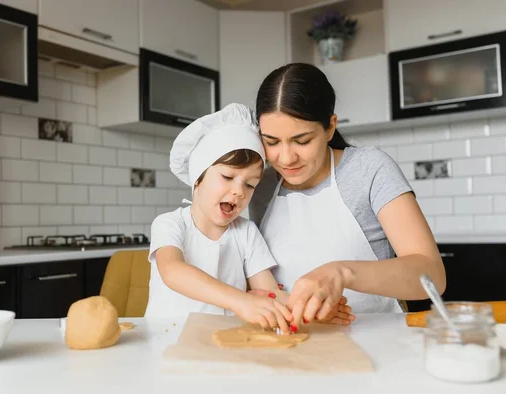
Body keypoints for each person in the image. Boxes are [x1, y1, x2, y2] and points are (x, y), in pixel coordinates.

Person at [249, 63, 446, 329]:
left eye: (302, 141)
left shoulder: (369, 169)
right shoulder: (259, 186)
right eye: (271, 142)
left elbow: (432, 275)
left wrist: (341, 273)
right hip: (294, 346)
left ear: (330, 127)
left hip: (380, 344)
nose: (285, 158)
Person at [144, 103, 354, 333]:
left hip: (223, 348)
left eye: (250, 184)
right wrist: (241, 301)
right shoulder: (170, 224)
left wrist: (312, 310)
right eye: (227, 177)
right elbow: (173, 271)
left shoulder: (245, 232)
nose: (239, 191)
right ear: (197, 178)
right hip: (167, 340)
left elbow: (268, 293)